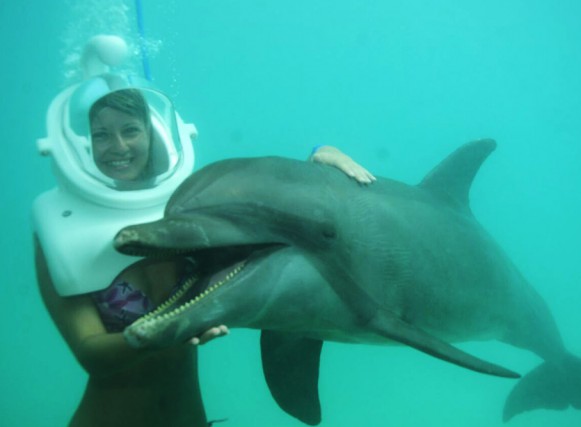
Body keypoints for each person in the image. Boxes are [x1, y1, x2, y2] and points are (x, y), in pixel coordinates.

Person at [33, 69, 375, 426]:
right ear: (84, 143)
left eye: (130, 130)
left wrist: (320, 156)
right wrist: (161, 333)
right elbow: (90, 354)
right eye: (101, 134)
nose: (117, 147)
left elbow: (274, 215)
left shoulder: (189, 206)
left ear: (154, 133)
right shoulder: (62, 230)